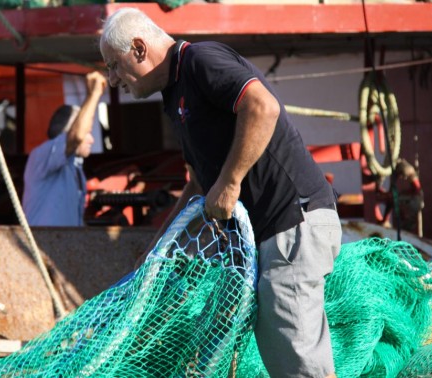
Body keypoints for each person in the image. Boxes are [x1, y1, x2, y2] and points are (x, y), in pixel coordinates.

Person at [100, 8, 341, 378]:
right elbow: (199, 185)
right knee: (281, 352)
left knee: (297, 360)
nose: (112, 79)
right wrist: (155, 250)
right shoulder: (173, 94)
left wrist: (230, 183)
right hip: (270, 234)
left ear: (137, 49)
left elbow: (262, 107)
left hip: (293, 221)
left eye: (113, 65)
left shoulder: (199, 60)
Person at [22, 71, 106, 226]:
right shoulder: (41, 154)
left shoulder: (74, 169)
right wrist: (94, 94)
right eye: (88, 132)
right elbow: (76, 137)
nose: (91, 139)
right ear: (69, 131)